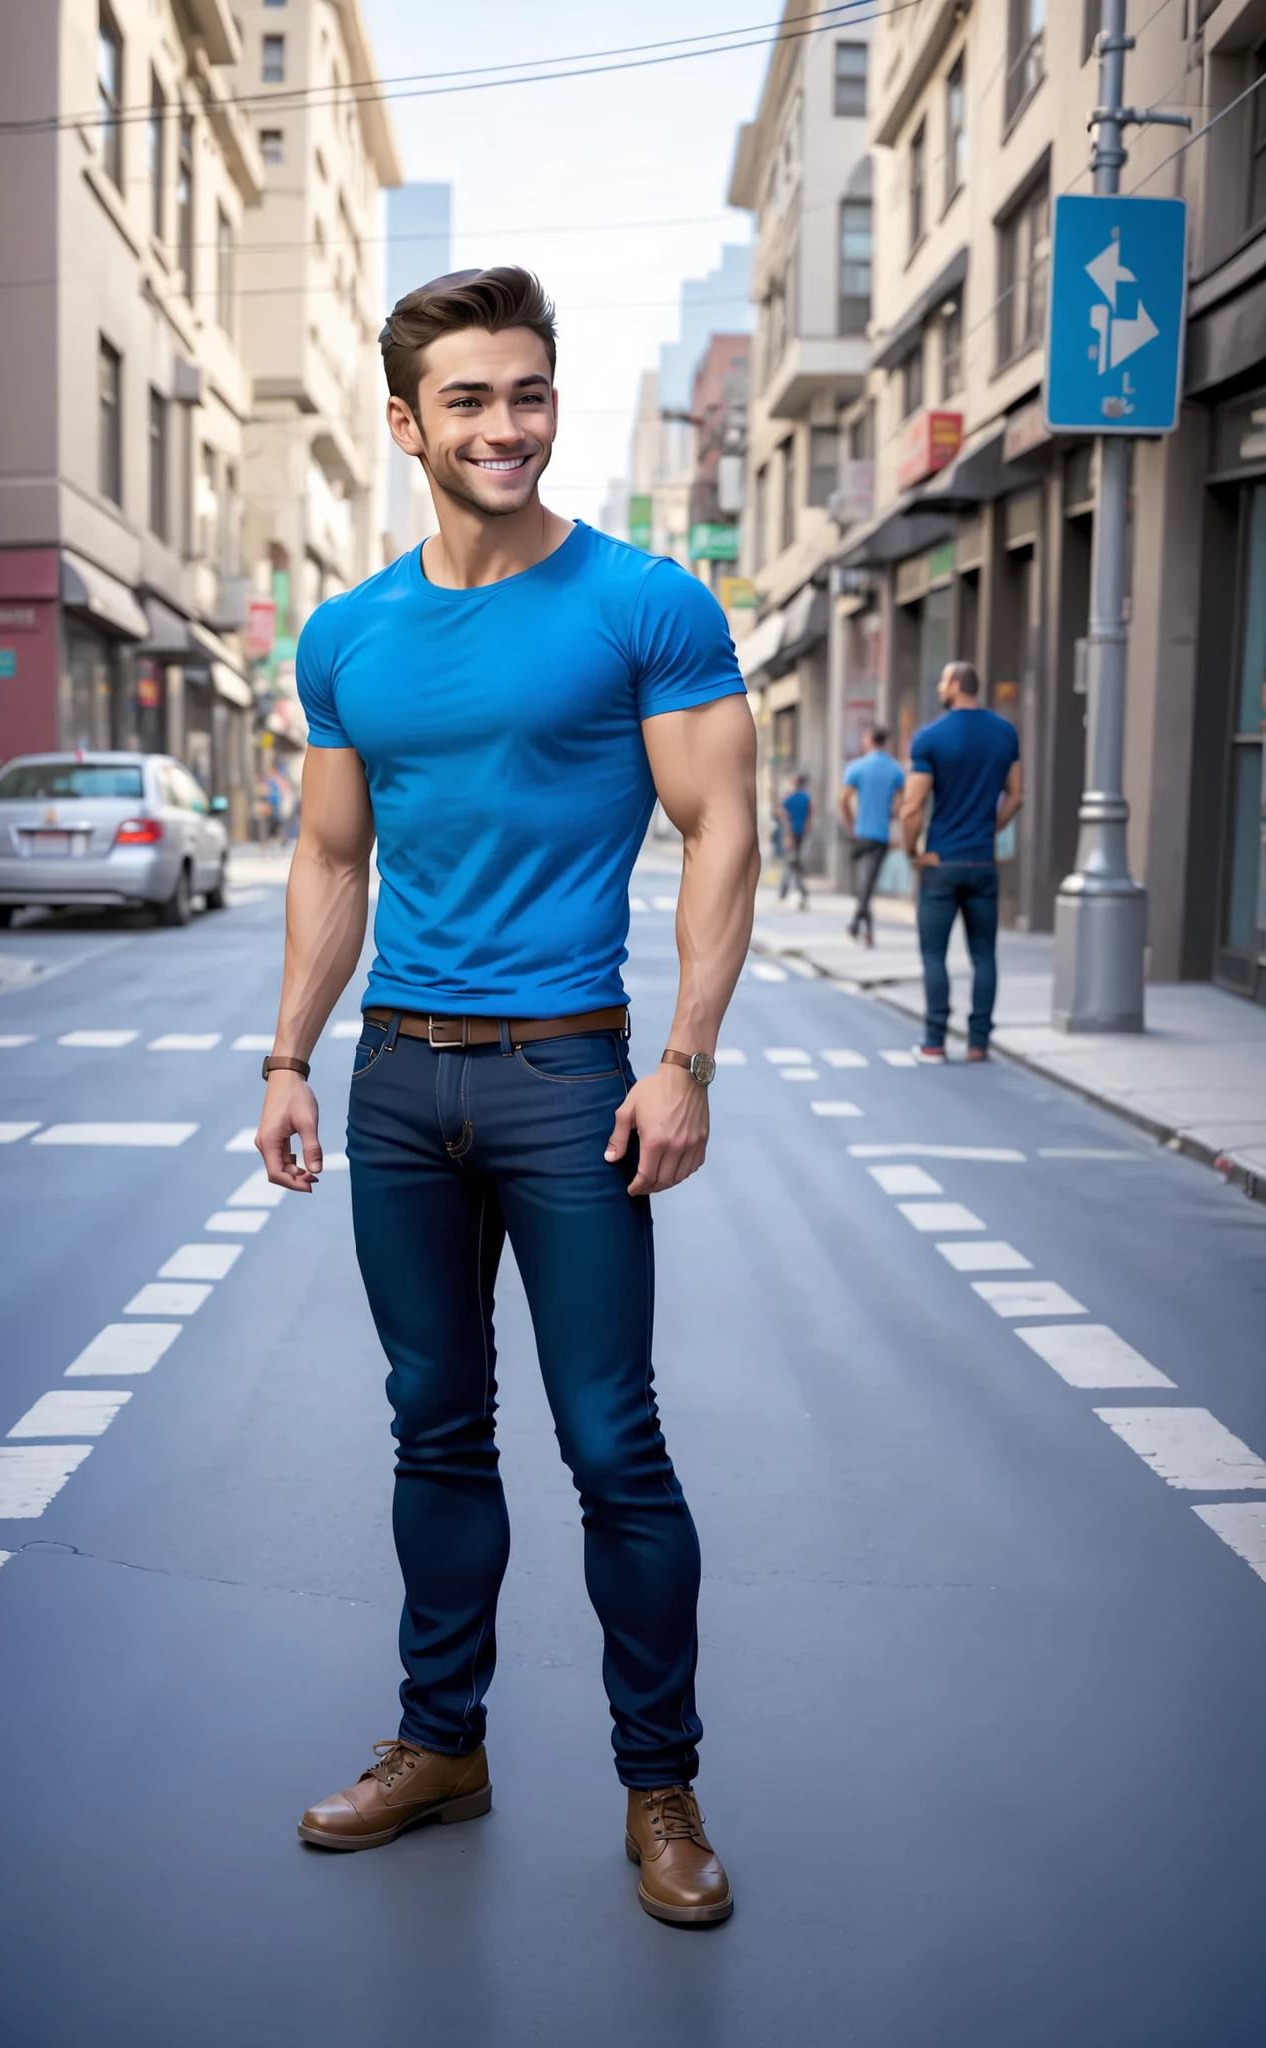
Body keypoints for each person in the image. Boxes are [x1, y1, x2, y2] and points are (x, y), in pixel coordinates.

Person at [256, 268, 757, 1926]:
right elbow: (332, 855)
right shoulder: (348, 634)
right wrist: (289, 1054)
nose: (507, 426)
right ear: (406, 424)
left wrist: (683, 1055)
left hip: (571, 1078)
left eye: (529, 392)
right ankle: (441, 1741)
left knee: (615, 1439)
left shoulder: (646, 603)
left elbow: (720, 836)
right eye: (469, 400)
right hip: (399, 1078)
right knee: (433, 1424)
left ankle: (660, 1783)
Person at [901, 661, 1023, 1062]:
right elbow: (1016, 795)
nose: (939, 686)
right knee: (984, 954)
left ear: (954, 685)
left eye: (942, 681)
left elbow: (912, 806)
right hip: (982, 862)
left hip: (941, 862)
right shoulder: (1005, 733)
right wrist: (990, 830)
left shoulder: (931, 737)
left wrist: (911, 849)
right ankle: (978, 1043)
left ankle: (934, 1042)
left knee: (934, 955)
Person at [839, 726, 904, 947]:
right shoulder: (895, 769)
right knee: (867, 885)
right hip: (881, 836)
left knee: (863, 885)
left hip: (861, 834)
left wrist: (851, 824)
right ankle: (863, 929)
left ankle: (858, 926)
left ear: (869, 740)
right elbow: (900, 802)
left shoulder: (857, 767)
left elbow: (843, 799)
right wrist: (891, 816)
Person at [778, 773, 811, 908]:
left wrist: (786, 828)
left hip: (792, 832)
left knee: (792, 861)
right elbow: (810, 814)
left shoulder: (790, 797)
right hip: (799, 833)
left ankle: (787, 890)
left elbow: (781, 811)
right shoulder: (805, 797)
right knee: (793, 861)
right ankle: (795, 890)